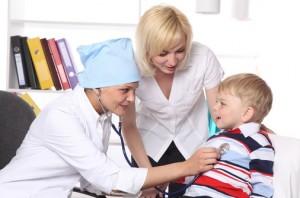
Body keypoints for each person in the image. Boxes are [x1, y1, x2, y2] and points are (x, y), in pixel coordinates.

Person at [0, 38, 220, 198]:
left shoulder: (101, 114)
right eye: (124, 90)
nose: (132, 99)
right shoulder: (62, 116)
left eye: (134, 90)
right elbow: (109, 179)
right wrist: (188, 167)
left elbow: (93, 182)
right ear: (97, 87)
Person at [121, 5, 224, 197]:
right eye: (162, 53)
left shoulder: (203, 57)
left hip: (192, 143)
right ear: (147, 49)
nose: (172, 61)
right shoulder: (131, 67)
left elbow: (220, 114)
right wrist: (148, 177)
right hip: (148, 146)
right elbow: (128, 126)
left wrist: (249, 127)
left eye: (180, 50)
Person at [183, 73, 275, 198]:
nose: (214, 107)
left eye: (222, 103)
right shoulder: (214, 138)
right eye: (216, 102)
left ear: (246, 113)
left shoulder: (259, 142)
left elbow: (263, 185)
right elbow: (194, 172)